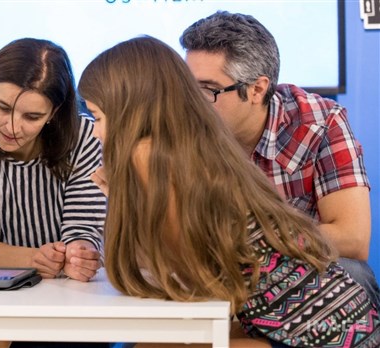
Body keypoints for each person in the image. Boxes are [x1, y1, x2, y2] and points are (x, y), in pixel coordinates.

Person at [78, 36, 380, 347]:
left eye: (98, 117)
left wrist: (123, 201)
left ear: (130, 105)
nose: (97, 132)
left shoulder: (148, 156)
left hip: (317, 337)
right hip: (344, 324)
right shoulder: (198, 147)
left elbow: (172, 273)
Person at [179, 11, 380, 308]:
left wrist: (244, 239)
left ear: (257, 89)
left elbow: (352, 239)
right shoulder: (179, 127)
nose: (192, 103)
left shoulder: (319, 123)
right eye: (187, 87)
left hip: (296, 281)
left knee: (353, 276)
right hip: (211, 278)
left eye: (208, 90)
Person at [0, 38, 106, 284]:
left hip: (70, 292)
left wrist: (79, 255)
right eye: (3, 107)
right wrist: (34, 259)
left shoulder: (84, 137)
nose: (12, 127)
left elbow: (82, 231)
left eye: (32, 116)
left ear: (54, 112)